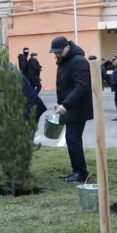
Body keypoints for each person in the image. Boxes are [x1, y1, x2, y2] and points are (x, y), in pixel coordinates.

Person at [51, 35, 93, 183]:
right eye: (54, 52)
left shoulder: (78, 61)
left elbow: (81, 86)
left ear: (68, 47)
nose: (56, 54)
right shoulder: (65, 60)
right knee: (71, 139)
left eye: (59, 51)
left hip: (78, 107)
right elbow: (65, 84)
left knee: (73, 139)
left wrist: (66, 104)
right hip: (70, 106)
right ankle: (77, 170)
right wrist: (60, 102)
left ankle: (81, 172)